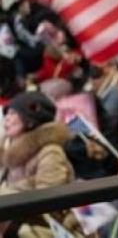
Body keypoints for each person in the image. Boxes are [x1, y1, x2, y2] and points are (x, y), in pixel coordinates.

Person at [0, 92, 83, 236]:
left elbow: (49, 207)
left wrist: (8, 197)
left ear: (30, 120)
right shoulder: (8, 151)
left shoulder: (51, 153)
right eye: (6, 113)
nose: (6, 118)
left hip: (41, 230)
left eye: (13, 113)